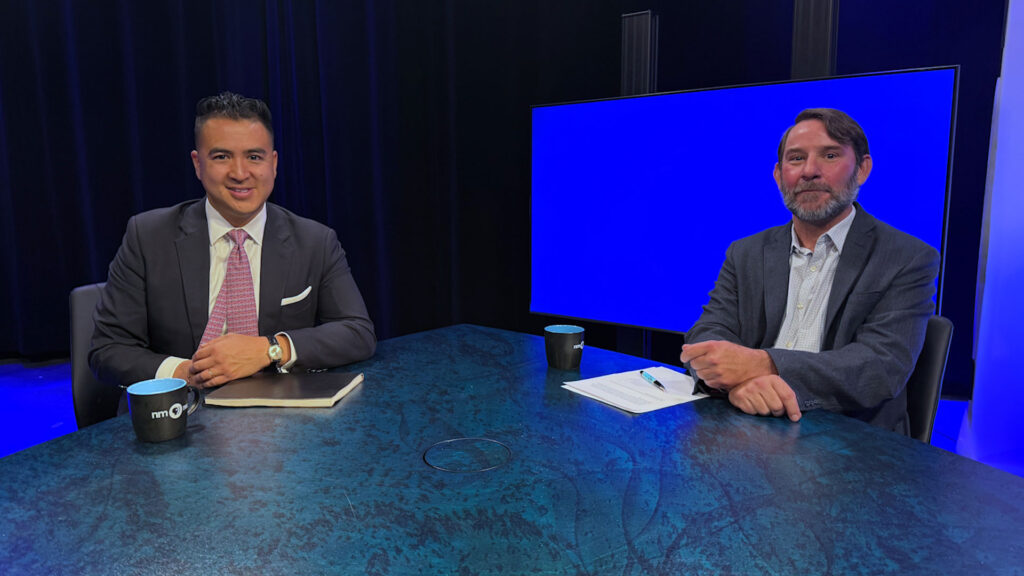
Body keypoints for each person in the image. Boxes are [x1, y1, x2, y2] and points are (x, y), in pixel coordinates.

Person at [90, 92, 375, 390]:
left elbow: (357, 332)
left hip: (282, 411)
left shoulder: (315, 242)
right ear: (197, 164)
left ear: (273, 164)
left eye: (254, 157)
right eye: (222, 157)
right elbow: (108, 349)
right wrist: (189, 373)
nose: (240, 173)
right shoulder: (147, 237)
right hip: (182, 407)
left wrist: (270, 349)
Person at [680, 108, 939, 434]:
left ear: (862, 169)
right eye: (796, 158)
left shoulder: (907, 257)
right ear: (778, 175)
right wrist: (738, 384)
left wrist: (764, 365)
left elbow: (879, 368)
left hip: (850, 437)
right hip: (749, 423)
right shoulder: (746, 252)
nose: (809, 171)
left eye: (830, 156)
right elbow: (708, 331)